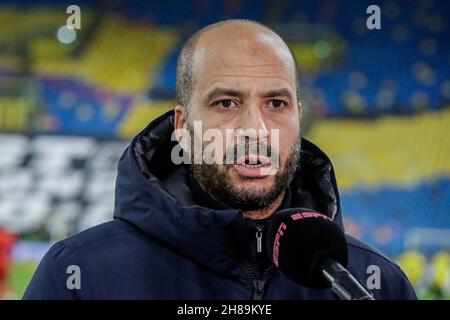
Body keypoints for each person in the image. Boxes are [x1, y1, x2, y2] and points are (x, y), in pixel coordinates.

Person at [23, 19, 416, 299]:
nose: (255, 128)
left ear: (298, 116)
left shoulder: (375, 283)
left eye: (276, 103)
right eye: (226, 103)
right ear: (182, 125)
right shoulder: (83, 276)